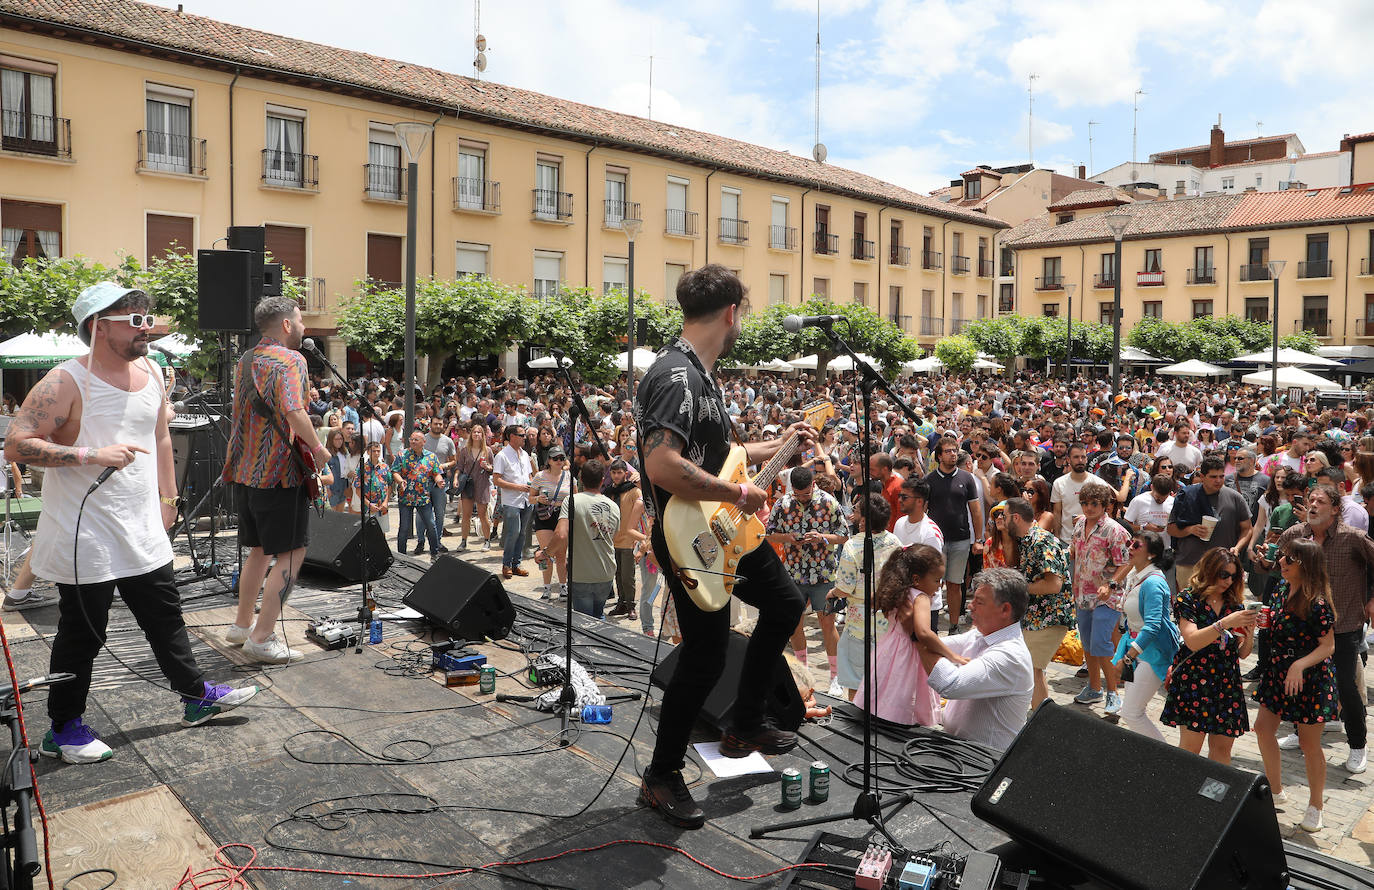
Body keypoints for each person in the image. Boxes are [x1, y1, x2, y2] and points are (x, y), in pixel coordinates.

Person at [5, 282, 256, 763]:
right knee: (84, 632)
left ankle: (195, 695)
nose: (147, 328)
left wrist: (169, 497)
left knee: (165, 616)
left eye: (147, 317)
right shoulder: (64, 382)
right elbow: (16, 444)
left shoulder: (153, 370)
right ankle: (63, 728)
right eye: (135, 320)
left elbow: (161, 435)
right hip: (86, 533)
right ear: (99, 327)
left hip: (140, 525)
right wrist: (88, 453)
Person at [635, 264, 808, 829]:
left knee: (784, 604)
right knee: (705, 656)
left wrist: (777, 448)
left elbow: (716, 458)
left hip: (723, 527)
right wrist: (739, 490)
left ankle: (745, 722)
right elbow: (661, 464)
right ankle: (662, 776)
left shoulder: (700, 376)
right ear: (732, 312)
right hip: (691, 537)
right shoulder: (676, 377)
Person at [221, 295, 327, 664]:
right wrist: (318, 449)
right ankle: (262, 637)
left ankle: (241, 626)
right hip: (280, 474)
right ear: (285, 325)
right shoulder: (291, 358)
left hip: (246, 471)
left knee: (258, 551)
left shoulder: (246, 360)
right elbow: (294, 410)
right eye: (299, 320)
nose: (303, 327)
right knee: (292, 552)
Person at [1274, 483, 1374, 774]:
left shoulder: (1352, 538)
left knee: (1345, 685)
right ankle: (1299, 730)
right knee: (1301, 681)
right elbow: (1278, 566)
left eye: (1320, 501)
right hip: (1303, 624)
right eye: (1311, 499)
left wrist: (1371, 598)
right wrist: (1263, 561)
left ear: (1335, 509)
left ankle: (1358, 745)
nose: (1313, 504)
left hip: (1343, 624)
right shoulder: (1296, 534)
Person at [1254, 538, 1339, 834]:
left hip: (1310, 676)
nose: (1282, 563)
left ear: (1307, 565)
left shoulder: (1317, 601)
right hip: (1280, 670)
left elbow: (1328, 647)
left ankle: (1316, 805)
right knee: (1263, 729)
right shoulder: (1280, 589)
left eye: (1290, 560)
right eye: (1282, 557)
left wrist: (1299, 665)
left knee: (1308, 743)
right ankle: (1275, 791)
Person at [917, 567, 1035, 751]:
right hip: (960, 749)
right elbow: (939, 646)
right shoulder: (981, 635)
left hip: (986, 763)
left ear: (1005, 609)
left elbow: (949, 684)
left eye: (979, 602)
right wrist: (924, 640)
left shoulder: (1010, 655)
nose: (970, 606)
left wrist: (919, 636)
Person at [1159, 547, 1257, 765]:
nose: (1229, 581)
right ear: (1210, 570)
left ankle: (1216, 797)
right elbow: (1192, 640)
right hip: (1195, 681)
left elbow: (1242, 653)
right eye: (1224, 574)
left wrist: (1249, 635)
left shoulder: (1234, 604)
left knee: (1222, 752)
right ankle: (1182, 797)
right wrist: (1225, 624)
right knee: (1190, 750)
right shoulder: (1189, 599)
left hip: (1226, 683)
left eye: (1234, 576)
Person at [766, 465, 849, 695]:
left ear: (813, 485)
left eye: (807, 494)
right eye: (798, 494)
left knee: (827, 623)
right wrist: (788, 538)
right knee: (794, 625)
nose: (802, 498)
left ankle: (835, 676)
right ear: (792, 488)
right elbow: (769, 532)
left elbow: (844, 535)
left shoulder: (829, 502)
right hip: (793, 573)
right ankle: (803, 674)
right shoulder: (782, 503)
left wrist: (822, 537)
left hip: (823, 573)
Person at [855, 544, 959, 726]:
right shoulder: (921, 598)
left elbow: (872, 601)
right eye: (936, 580)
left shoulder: (900, 592)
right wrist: (951, 655)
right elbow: (924, 632)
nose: (940, 585)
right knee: (907, 690)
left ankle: (882, 714)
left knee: (886, 686)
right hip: (909, 654)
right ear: (917, 579)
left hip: (888, 649)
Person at [831, 494, 904, 701]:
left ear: (864, 520)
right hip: (887, 619)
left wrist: (833, 593)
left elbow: (844, 588)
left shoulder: (853, 546)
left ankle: (857, 722)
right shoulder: (895, 541)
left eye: (856, 511)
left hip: (859, 623)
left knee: (857, 679)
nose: (853, 515)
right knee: (882, 677)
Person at [1069, 481, 1131, 716]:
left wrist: (1111, 584)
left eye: (1094, 503)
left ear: (1105, 505)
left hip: (1108, 597)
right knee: (1087, 643)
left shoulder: (1115, 530)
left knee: (1101, 643)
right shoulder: (1080, 525)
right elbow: (1075, 551)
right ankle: (1094, 688)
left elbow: (1126, 563)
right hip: (1083, 594)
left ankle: (1113, 693)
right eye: (1085, 503)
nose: (1088, 507)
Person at [1112, 530, 1181, 742]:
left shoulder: (1153, 582)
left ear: (1151, 555)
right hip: (1138, 647)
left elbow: (1152, 626)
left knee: (1131, 712)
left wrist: (1128, 657)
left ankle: (1164, 758)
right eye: (1130, 543)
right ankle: (1151, 754)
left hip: (1153, 652)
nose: (1129, 548)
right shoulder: (1135, 575)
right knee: (1131, 711)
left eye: (1136, 545)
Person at [1005, 497, 1073, 709]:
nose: (1001, 519)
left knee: (1032, 669)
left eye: (1004, 516)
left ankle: (1041, 722)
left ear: (1016, 518)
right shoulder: (1028, 540)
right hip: (1039, 617)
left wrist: (1020, 587)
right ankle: (1040, 718)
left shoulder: (1040, 541)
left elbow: (1054, 585)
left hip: (1049, 617)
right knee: (1034, 669)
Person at [1167, 455, 1252, 591]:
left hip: (1222, 565)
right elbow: (1171, 529)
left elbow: (1247, 529)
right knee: (1189, 608)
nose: (1218, 480)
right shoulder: (1187, 495)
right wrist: (1190, 530)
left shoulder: (1235, 498)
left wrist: (1237, 547)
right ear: (1202, 476)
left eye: (1221, 476)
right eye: (1213, 477)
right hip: (1190, 563)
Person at [925, 438, 983, 632]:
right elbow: (923, 510)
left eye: (955, 451)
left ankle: (954, 625)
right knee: (933, 583)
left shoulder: (967, 479)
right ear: (939, 455)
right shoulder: (929, 480)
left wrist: (978, 540)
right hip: (935, 541)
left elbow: (975, 511)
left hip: (961, 539)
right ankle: (930, 624)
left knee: (955, 584)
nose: (953, 454)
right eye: (948, 451)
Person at [554, 458, 620, 618]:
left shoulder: (572, 501)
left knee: (584, 623)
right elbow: (614, 536)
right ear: (602, 480)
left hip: (581, 574)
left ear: (581, 479)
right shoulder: (613, 506)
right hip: (606, 572)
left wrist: (545, 553)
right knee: (598, 616)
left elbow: (561, 534)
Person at [891, 475, 945, 634]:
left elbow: (934, 572)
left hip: (925, 604)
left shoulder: (930, 533)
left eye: (904, 497)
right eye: (900, 495)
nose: (899, 499)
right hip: (904, 600)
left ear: (920, 501)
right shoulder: (900, 523)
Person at [391, 431, 445, 557]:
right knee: (404, 527)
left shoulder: (431, 457)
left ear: (423, 442)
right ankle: (401, 556)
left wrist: (439, 481)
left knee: (431, 525)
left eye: (416, 440)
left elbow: (436, 473)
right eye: (411, 439)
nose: (413, 442)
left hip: (423, 497)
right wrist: (400, 481)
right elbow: (395, 471)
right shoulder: (402, 455)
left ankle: (434, 554)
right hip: (405, 497)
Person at [492, 424, 536, 580]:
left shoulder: (524, 454)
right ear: (511, 437)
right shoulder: (502, 456)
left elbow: (530, 475)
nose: (525, 438)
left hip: (526, 500)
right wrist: (518, 487)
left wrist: (531, 485)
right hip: (511, 500)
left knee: (522, 533)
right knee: (513, 533)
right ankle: (507, 564)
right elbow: (497, 480)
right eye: (522, 435)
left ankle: (516, 564)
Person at [605, 460, 644, 620]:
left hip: (629, 540)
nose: (616, 476)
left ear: (625, 473)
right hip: (613, 540)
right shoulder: (609, 492)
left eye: (619, 472)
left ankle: (631, 606)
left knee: (628, 576)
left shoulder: (634, 491)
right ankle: (621, 603)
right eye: (613, 473)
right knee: (618, 574)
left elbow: (643, 516)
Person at [530, 448, 570, 599]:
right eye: (555, 458)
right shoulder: (540, 476)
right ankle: (546, 587)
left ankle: (562, 586)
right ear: (549, 460)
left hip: (563, 516)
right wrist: (538, 499)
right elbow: (530, 498)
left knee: (561, 554)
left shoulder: (569, 477)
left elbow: (575, 497)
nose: (558, 461)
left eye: (561, 458)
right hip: (544, 516)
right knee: (545, 551)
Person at [1050, 442, 1106, 544]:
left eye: (1083, 457)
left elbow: (1104, 513)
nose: (1080, 460)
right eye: (1076, 457)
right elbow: (1057, 513)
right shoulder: (1059, 483)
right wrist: (1056, 539)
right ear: (1068, 459)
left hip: (1092, 541)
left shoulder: (1099, 483)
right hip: (1066, 541)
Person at [455, 421, 494, 551]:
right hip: (468, 485)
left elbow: (493, 469)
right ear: (471, 434)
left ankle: (487, 540)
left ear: (483, 435)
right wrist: (456, 479)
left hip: (482, 484)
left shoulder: (487, 451)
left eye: (479, 432)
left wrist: (487, 467)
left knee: (482, 515)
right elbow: (459, 467)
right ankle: (463, 541)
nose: (476, 434)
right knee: (466, 514)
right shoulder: (465, 451)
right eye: (474, 432)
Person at [424, 415, 457, 537]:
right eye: (435, 424)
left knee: (440, 512)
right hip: (424, 479)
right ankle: (421, 541)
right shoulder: (424, 439)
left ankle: (437, 540)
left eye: (440, 424)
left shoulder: (448, 441)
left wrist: (443, 466)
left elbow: (454, 460)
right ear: (430, 425)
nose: (438, 426)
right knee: (422, 513)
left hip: (442, 479)